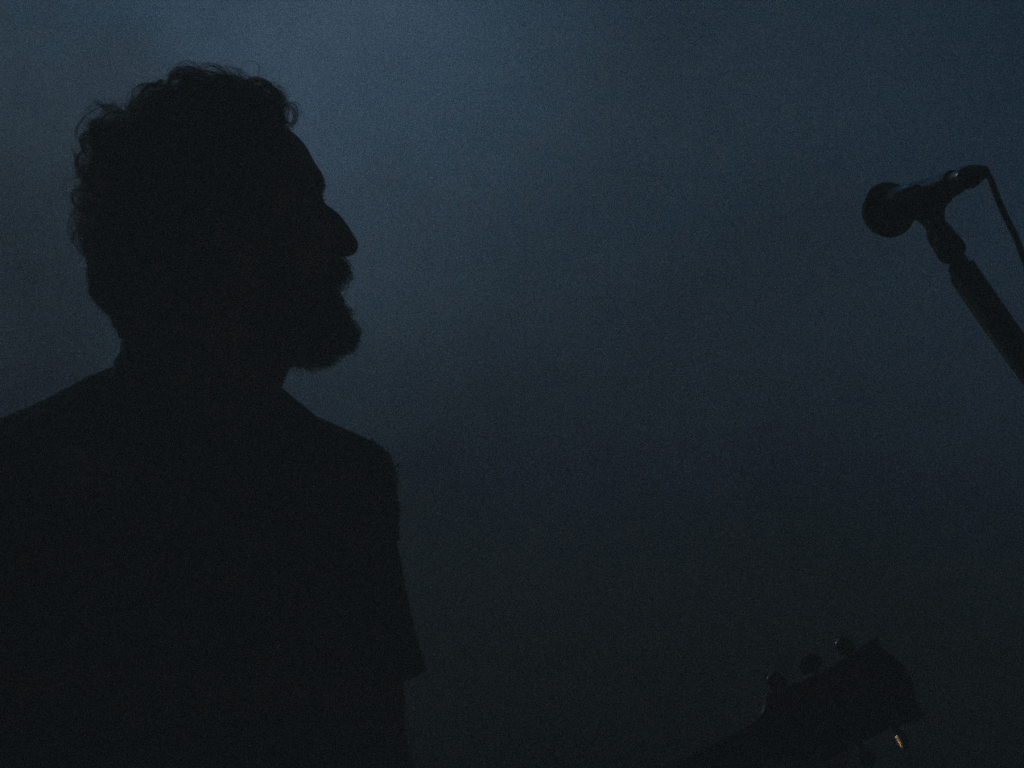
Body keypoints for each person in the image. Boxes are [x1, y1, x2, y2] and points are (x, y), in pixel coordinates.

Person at [0, 63, 424, 767]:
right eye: (304, 207)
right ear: (216, 246)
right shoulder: (340, 484)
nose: (343, 238)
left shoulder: (29, 471)